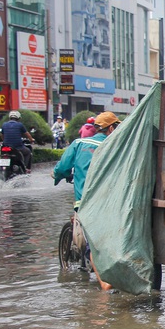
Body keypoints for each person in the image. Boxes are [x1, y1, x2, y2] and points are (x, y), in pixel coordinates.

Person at [53, 111, 121, 291]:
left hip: (87, 202)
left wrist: (57, 175)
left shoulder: (79, 143)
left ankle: (104, 287)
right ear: (111, 128)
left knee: (93, 245)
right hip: (113, 201)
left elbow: (62, 167)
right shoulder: (115, 145)